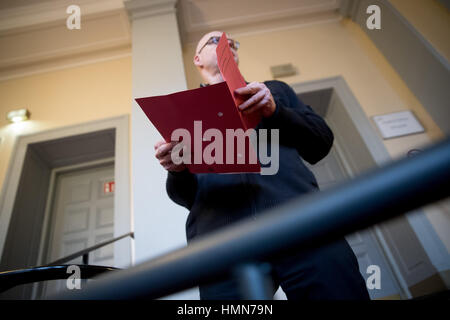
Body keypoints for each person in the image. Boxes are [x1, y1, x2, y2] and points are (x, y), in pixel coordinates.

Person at [154, 31, 370, 300]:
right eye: (215, 41)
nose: (227, 44)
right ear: (197, 59)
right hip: (222, 243)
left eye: (233, 43)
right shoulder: (183, 114)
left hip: (301, 221)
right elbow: (185, 196)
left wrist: (275, 110)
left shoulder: (274, 91)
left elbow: (320, 142)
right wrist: (177, 171)